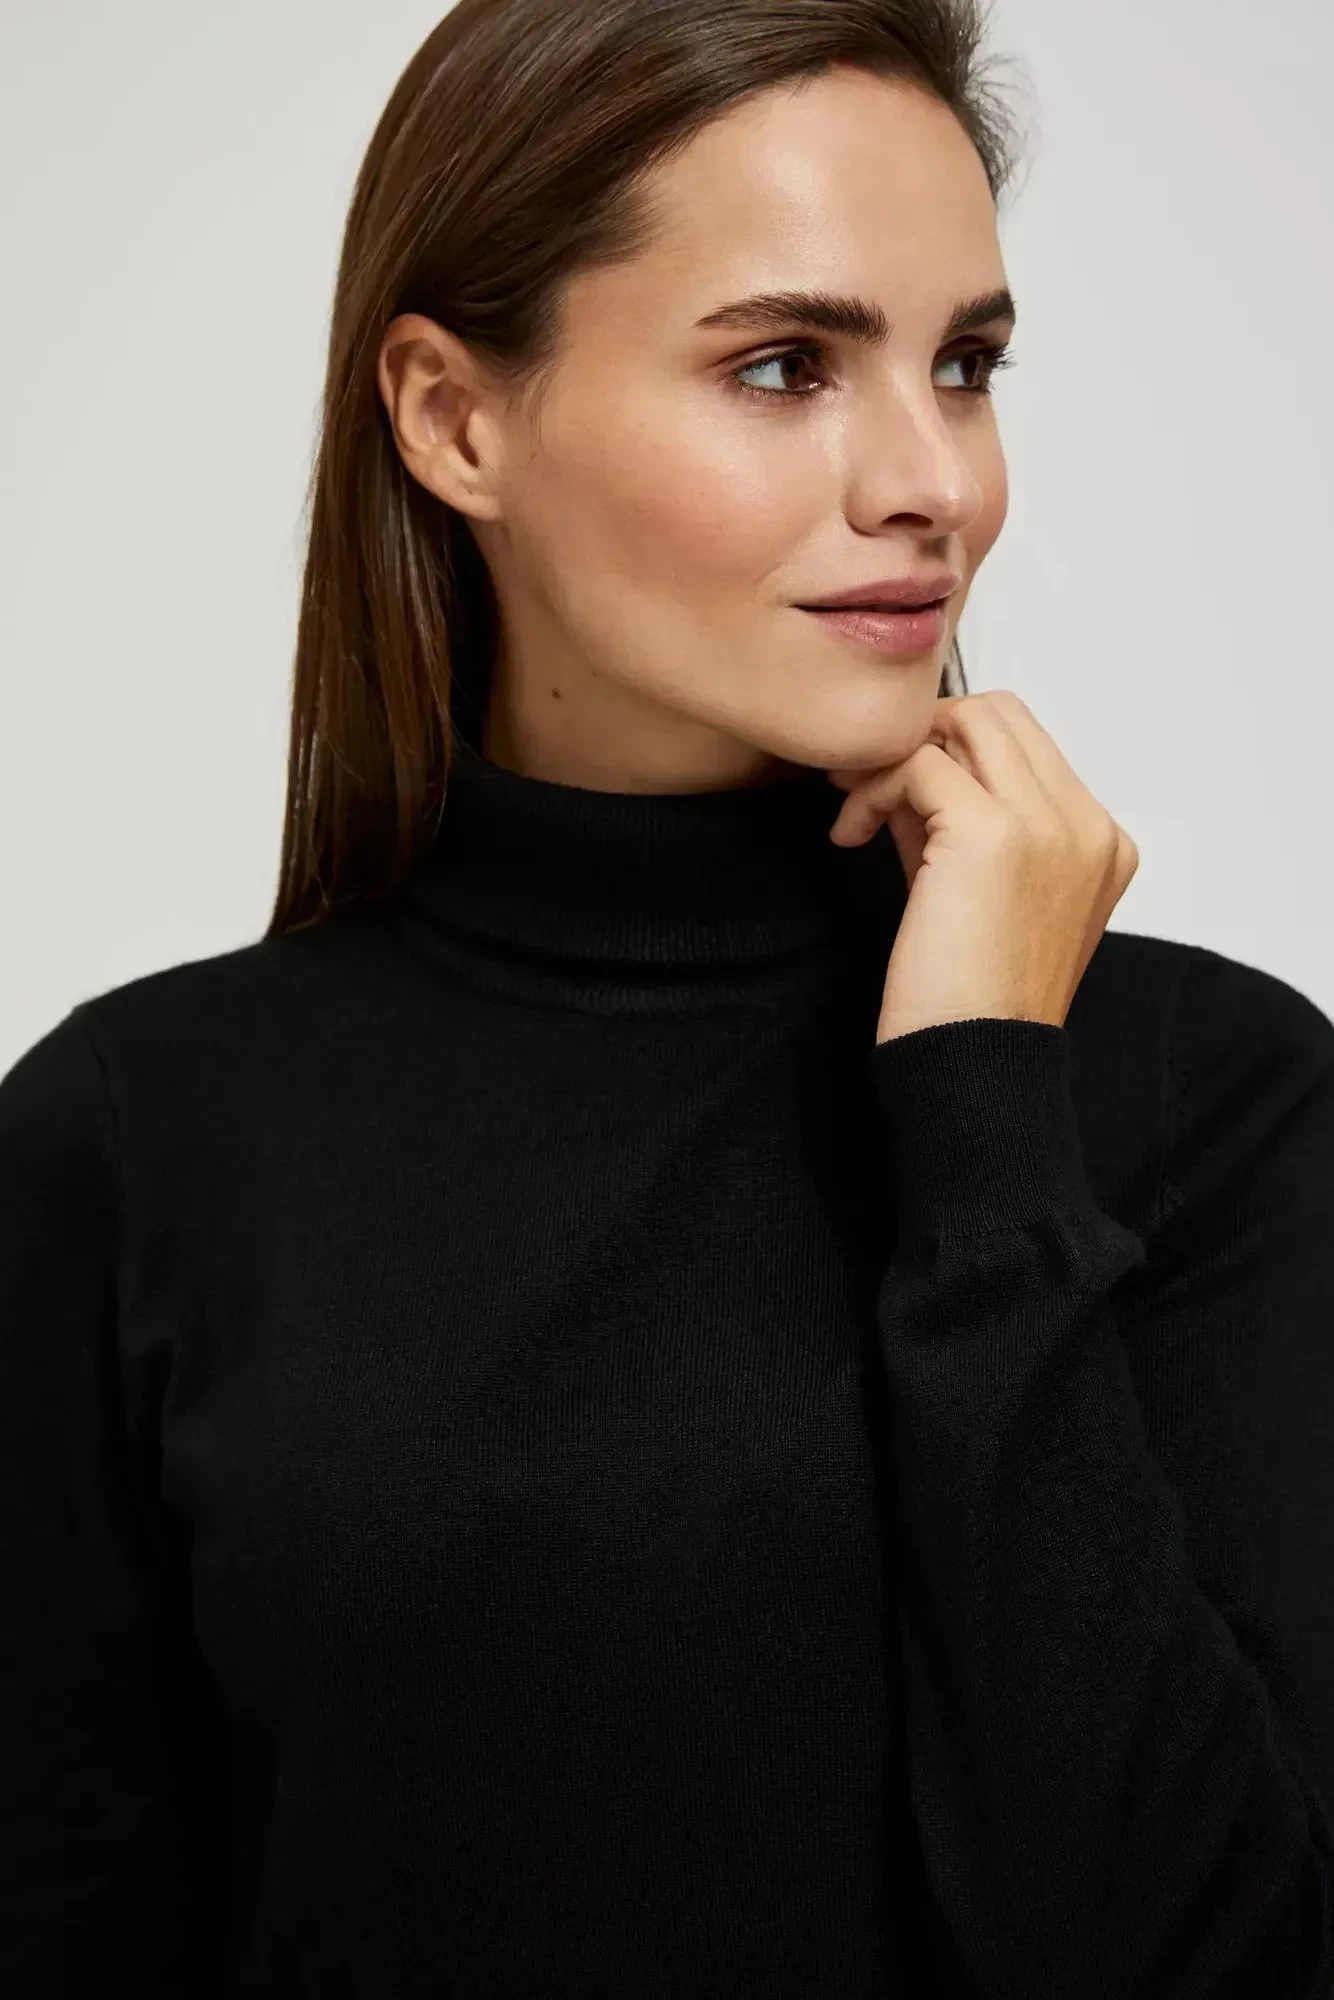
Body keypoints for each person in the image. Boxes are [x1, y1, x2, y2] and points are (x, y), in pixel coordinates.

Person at [2, 0, 1331, 1993]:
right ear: (454, 419)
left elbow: (1214, 1958)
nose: (933, 482)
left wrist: (984, 1110)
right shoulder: (135, 1140)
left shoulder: (1203, 1097)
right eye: (784, 365)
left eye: (965, 365)